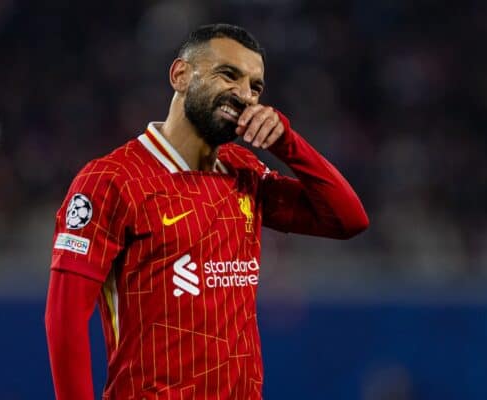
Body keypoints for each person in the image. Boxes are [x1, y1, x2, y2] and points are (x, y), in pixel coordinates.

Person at [45, 23, 368, 400]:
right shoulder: (111, 180)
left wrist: (287, 144)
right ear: (180, 75)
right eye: (228, 75)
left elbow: (348, 219)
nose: (245, 95)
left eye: (255, 86)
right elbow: (64, 320)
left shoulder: (243, 172)